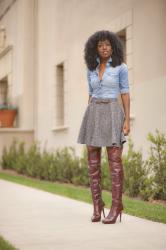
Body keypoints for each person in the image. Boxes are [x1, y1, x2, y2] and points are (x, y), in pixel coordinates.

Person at [77, 30, 130, 224]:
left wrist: (127, 120)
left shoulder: (121, 67)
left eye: (107, 44)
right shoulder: (91, 69)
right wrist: (90, 116)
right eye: (100, 45)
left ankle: (116, 206)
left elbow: (124, 93)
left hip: (113, 111)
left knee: (114, 160)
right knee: (92, 161)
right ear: (95, 49)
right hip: (94, 111)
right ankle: (97, 206)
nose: (104, 48)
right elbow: (90, 94)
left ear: (113, 46)